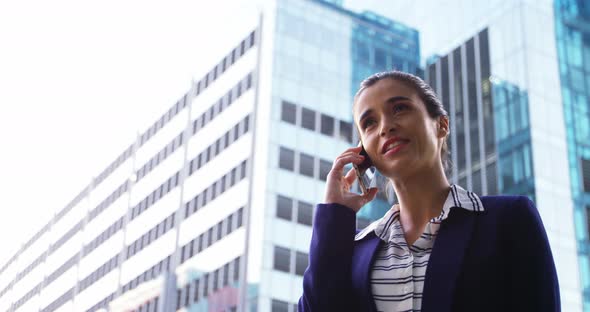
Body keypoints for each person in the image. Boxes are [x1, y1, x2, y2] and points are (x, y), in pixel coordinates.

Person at [298, 71, 560, 312]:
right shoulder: (354, 249)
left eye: (399, 108)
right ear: (363, 153)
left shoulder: (509, 219)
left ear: (441, 125)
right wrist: (334, 214)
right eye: (369, 123)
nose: (385, 127)